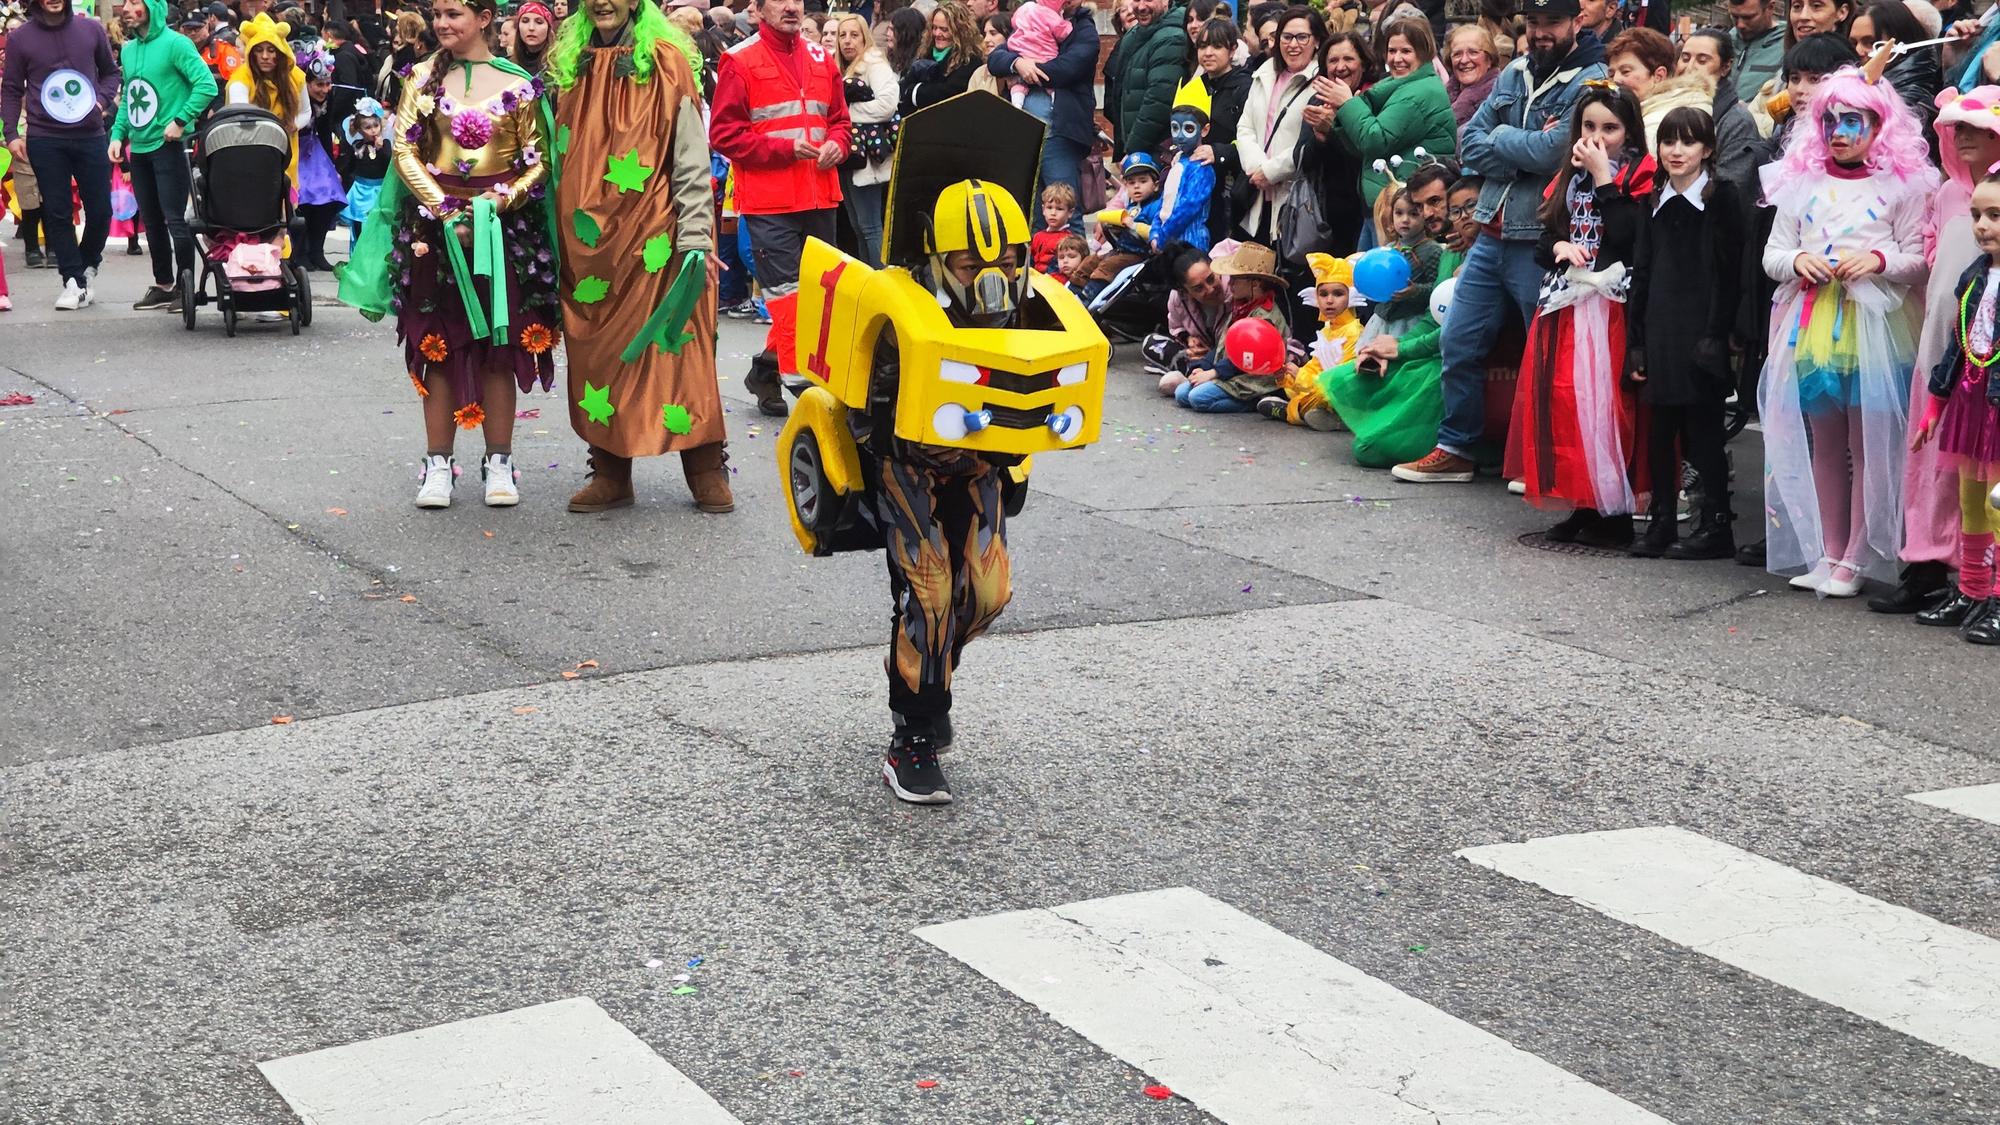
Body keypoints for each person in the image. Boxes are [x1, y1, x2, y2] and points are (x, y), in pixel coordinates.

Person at [336, 0, 558, 510]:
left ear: (484, 19)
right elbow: (405, 151)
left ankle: (498, 462)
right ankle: (438, 464)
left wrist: (498, 202)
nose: (442, 24)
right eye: (437, 14)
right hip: (434, 229)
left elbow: (539, 161)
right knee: (436, 344)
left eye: (454, 14)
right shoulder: (422, 78)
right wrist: (445, 210)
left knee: (500, 343)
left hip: (503, 229)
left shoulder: (518, 83)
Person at [870, 179, 1042, 804]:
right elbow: (874, 409)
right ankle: (911, 735)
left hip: (978, 468)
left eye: (1006, 261)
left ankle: (925, 669)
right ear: (940, 259)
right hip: (906, 466)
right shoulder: (903, 309)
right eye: (972, 264)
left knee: (990, 594)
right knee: (931, 593)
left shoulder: (1030, 311)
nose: (992, 276)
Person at [1392, 0, 1606, 483]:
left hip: (1542, 234)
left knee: (1546, 354)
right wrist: (1522, 146)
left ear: (1577, 22)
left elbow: (1558, 153)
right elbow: (1467, 140)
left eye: (1552, 22)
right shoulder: (1513, 72)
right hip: (1490, 228)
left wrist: (1505, 142)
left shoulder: (1591, 81)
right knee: (1458, 340)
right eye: (1534, 23)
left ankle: (1542, 459)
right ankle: (1457, 448)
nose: (1542, 32)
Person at [547, 0, 732, 515]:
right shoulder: (572, 65)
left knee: (679, 347)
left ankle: (705, 467)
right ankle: (610, 469)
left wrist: (696, 234)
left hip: (656, 236)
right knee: (599, 354)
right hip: (588, 247)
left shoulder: (668, 59)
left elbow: (691, 153)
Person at [1757, 65, 1933, 596]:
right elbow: (1772, 254)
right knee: (1826, 442)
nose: (1840, 132)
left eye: (1854, 121)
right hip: (1811, 325)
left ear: (1880, 127)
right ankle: (1829, 550)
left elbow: (1917, 260)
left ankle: (1857, 557)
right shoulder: (1801, 183)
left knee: (1867, 443)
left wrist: (1877, 259)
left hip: (1874, 326)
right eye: (1831, 120)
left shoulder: (1904, 187)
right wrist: (1798, 261)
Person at [1506, 82, 1654, 547]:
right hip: (1567, 302)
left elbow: (1632, 237)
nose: (1598, 136)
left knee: (1609, 405)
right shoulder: (1567, 176)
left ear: (1628, 131)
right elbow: (1541, 239)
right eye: (1589, 126)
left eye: (1610, 128)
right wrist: (1558, 246)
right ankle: (1582, 501)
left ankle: (1616, 511)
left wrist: (1605, 177)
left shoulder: (1640, 174)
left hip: (1613, 304)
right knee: (1568, 403)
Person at [1874, 85, 2000, 613]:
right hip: (1946, 357)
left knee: (1984, 488)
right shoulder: (1950, 194)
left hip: (1988, 374)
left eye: (1978, 130)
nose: (1964, 137)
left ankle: (1977, 584)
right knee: (1937, 472)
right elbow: (1937, 268)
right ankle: (1936, 568)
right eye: (1957, 129)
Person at [710, 0, 852, 417]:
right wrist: (786, 148)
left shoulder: (822, 58)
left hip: (820, 195)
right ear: (758, 9)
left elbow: (840, 122)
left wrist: (837, 145)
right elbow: (724, 134)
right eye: (780, 0)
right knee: (789, 296)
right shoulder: (739, 60)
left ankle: (766, 372)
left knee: (819, 297)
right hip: (769, 200)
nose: (791, 6)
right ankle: (807, 390)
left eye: (797, 0)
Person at [1627, 105, 1745, 559]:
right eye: (1669, 141)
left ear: (1708, 149)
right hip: (1661, 329)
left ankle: (1715, 523)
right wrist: (1638, 341)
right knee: (1660, 429)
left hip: (1702, 330)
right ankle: (1661, 520)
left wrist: (1720, 334)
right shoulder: (1652, 201)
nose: (1677, 151)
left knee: (1704, 430)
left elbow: (1730, 270)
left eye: (1688, 141)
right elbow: (1644, 271)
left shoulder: (1722, 198)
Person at [1322, 174, 1474, 465]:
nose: (1428, 213)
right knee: (1347, 375)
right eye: (1420, 205)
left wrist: (1402, 347)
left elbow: (1456, 330)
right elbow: (1436, 318)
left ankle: (1456, 450)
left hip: (1448, 360)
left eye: (1435, 203)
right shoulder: (1448, 252)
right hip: (1425, 342)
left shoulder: (1450, 251)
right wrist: (1390, 344)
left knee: (1369, 448)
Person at [1908, 169, 2000, 640]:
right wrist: (1934, 407)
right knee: (1971, 502)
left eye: (1996, 215)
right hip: (1971, 404)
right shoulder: (1975, 276)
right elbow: (1956, 349)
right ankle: (1973, 589)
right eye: (1977, 216)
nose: (1982, 226)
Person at [1, 0, 119, 310]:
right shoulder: (20, 38)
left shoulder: (91, 29)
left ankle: (88, 263)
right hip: (44, 136)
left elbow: (110, 75)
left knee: (101, 210)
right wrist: (11, 134)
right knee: (56, 210)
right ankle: (72, 280)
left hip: (89, 133)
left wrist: (101, 103)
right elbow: (12, 88)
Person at [108, 0, 216, 312]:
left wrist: (181, 120)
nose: (126, 8)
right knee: (151, 221)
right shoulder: (128, 50)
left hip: (169, 147)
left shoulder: (176, 44)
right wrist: (117, 135)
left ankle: (185, 289)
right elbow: (130, 96)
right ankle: (164, 284)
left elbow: (206, 85)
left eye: (134, 2)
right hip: (139, 148)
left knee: (174, 219)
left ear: (153, 7)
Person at [1324, 15, 1455, 230]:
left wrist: (1348, 104)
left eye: (1406, 51)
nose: (1397, 58)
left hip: (1406, 212)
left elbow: (1375, 139)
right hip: (1383, 205)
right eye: (1392, 51)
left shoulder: (1420, 92)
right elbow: (1362, 148)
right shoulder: (1395, 85)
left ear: (1423, 53)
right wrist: (1340, 116)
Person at [986, 0, 1096, 222]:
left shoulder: (1085, 30)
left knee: (1064, 211)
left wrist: (1028, 68)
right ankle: (1040, 258)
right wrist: (1017, 62)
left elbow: (1067, 69)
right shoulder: (1032, 16)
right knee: (1034, 215)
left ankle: (1073, 258)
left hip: (1059, 134)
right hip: (1026, 135)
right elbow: (996, 59)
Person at [1169, 240, 1292, 409]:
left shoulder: (1264, 316)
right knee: (1182, 394)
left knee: (1198, 399)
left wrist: (1214, 373)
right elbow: (1223, 344)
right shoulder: (1240, 306)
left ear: (1254, 284)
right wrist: (1203, 367)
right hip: (1230, 372)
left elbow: (1247, 358)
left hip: (1254, 379)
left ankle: (1258, 401)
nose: (1230, 283)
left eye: (1235, 279)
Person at [1235, 4, 1321, 244]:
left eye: (1302, 37)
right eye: (1286, 37)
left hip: (1294, 199)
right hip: (1257, 195)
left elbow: (1309, 142)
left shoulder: (1321, 81)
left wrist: (1272, 172)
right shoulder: (1264, 73)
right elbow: (1245, 126)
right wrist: (1257, 168)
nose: (1293, 44)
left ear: (1316, 41)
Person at [1260, 250, 1359, 428]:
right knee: (1292, 389)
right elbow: (1316, 366)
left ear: (1351, 295)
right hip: (1325, 388)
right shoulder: (1329, 329)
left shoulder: (1354, 331)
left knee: (1309, 398)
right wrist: (1289, 376)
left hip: (1344, 395)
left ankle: (1288, 412)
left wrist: (1302, 377)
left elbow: (1344, 381)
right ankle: (1321, 416)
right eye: (1323, 294)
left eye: (1338, 294)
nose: (1329, 300)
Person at [1295, 31, 1373, 257]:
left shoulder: (1373, 97)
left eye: (1348, 59)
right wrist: (1319, 138)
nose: (1341, 67)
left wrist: (1334, 131)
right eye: (1333, 61)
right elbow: (1303, 160)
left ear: (1364, 63)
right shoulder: (1317, 100)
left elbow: (1367, 155)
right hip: (1324, 213)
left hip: (1363, 212)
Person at [833, 11, 895, 269]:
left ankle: (881, 280)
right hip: (848, 154)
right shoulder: (841, 67)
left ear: (864, 37)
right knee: (857, 225)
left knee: (869, 226)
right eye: (842, 35)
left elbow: (888, 104)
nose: (847, 41)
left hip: (868, 158)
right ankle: (869, 279)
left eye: (854, 35)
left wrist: (846, 115)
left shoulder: (874, 64)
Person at [1672, 27, 1762, 196]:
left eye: (1702, 61)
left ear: (1726, 67)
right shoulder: (1667, 107)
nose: (1689, 67)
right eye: (1685, 58)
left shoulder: (1737, 122)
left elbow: (1732, 188)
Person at [224, 13, 308, 184]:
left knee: (286, 208)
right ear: (251, 52)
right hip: (250, 158)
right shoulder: (240, 81)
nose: (265, 56)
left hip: (286, 158)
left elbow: (305, 111)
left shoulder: (296, 77)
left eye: (271, 50)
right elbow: (240, 120)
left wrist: (294, 125)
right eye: (259, 50)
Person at [1189, 17, 1249, 242]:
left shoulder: (1245, 87)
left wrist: (1220, 153)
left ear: (1232, 50)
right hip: (1201, 188)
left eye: (1216, 46)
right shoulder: (1196, 87)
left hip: (1232, 188)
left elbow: (1253, 140)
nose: (1208, 53)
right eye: (1202, 46)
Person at [1104, 0, 1188, 159]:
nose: (1141, 7)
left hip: (1157, 153)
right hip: (1142, 151)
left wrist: (1133, 151)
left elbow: (1158, 102)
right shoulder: (1135, 35)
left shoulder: (1171, 37)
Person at [294, 44, 349, 272]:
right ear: (307, 84)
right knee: (303, 202)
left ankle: (317, 251)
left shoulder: (329, 97)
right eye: (319, 84)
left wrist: (331, 165)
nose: (324, 89)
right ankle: (300, 253)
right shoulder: (297, 97)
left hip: (316, 150)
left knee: (327, 199)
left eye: (327, 84)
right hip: (296, 149)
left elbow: (326, 130)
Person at [1848, 1, 1939, 136]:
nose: (1858, 51)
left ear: (1902, 43)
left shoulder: (1914, 103)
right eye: (1854, 43)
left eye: (1870, 42)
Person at [1143, 240, 1228, 384]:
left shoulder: (1234, 284)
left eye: (1211, 279)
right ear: (1184, 291)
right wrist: (1189, 339)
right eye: (1198, 288)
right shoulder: (1177, 299)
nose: (1210, 289)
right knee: (1150, 343)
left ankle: (1192, 374)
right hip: (1203, 353)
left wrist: (1214, 355)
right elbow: (1176, 327)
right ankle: (1194, 372)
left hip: (1231, 353)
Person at [1084, 151, 1162, 296]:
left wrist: (1132, 225)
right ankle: (1073, 291)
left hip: (1140, 254)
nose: (1137, 186)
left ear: (1155, 185)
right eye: (1131, 183)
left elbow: (1155, 232)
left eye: (1143, 181)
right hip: (1121, 249)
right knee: (1090, 261)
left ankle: (1088, 296)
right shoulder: (1131, 207)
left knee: (1109, 265)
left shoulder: (1157, 206)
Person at [1154, 76, 1216, 252]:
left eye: (1188, 129)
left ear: (1204, 130)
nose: (1180, 135)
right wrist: (1155, 231)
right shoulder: (1178, 161)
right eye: (1175, 128)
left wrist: (1162, 235)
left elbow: (1187, 208)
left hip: (1190, 242)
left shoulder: (1201, 167)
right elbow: (1165, 200)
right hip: (1169, 239)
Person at [902, 1, 982, 108]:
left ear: (960, 31)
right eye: (934, 28)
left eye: (944, 30)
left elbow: (949, 94)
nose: (937, 34)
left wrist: (915, 91)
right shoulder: (925, 52)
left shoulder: (970, 60)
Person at [336, 94, 386, 243]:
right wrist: (339, 173)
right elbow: (349, 166)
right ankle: (356, 252)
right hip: (359, 190)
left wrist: (381, 149)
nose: (373, 130)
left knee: (374, 224)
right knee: (357, 222)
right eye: (368, 127)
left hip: (378, 190)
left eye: (376, 126)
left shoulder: (386, 146)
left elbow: (388, 164)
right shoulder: (357, 146)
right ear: (359, 129)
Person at [1443, 22, 1499, 126]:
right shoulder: (1441, 98)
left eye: (1473, 52)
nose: (1464, 60)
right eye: (1457, 54)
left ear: (1489, 59)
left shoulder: (1498, 99)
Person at [1729, 0, 1785, 100]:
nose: (1740, 24)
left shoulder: (1787, 45)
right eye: (1735, 16)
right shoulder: (1727, 40)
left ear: (1770, 8)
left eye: (1748, 17)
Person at [1031, 180, 1074, 271]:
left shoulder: (1068, 240)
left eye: (1059, 209)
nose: (1053, 213)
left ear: (1070, 212)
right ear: (1043, 209)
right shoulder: (1037, 236)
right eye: (1049, 207)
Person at [509, 0, 552, 76]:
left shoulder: (559, 66)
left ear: (548, 28)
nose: (531, 28)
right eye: (525, 21)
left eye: (539, 22)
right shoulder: (508, 65)